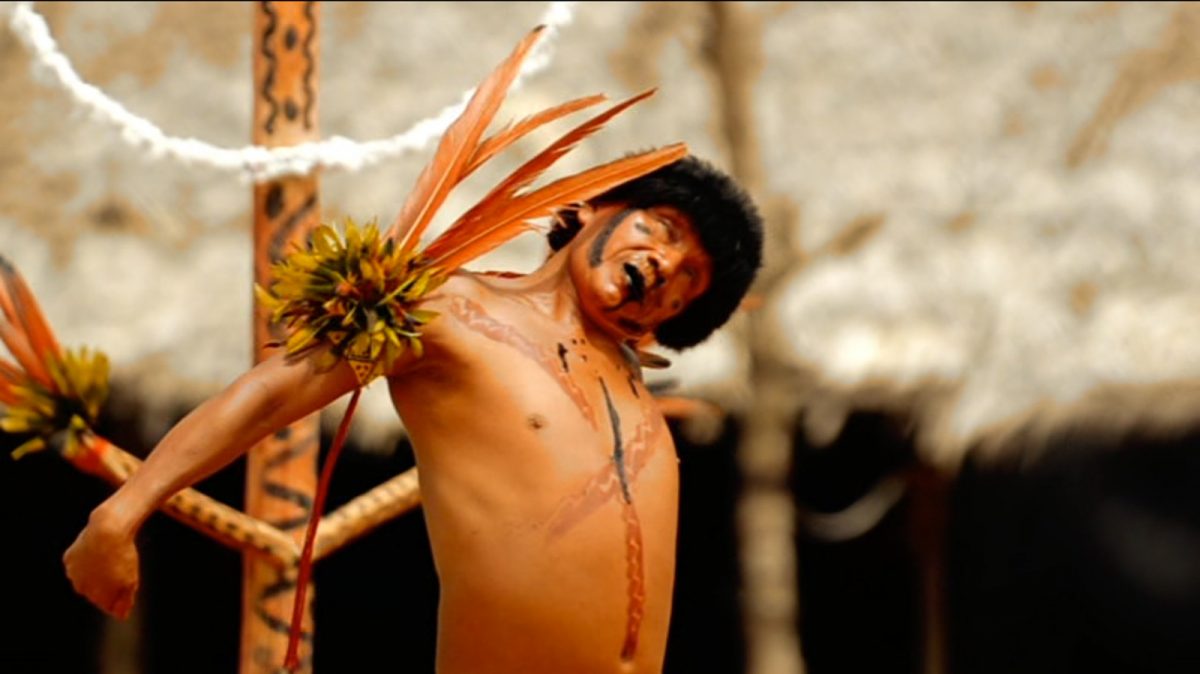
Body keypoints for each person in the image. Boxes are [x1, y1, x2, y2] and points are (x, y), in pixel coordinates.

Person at [63, 155, 763, 674]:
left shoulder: (638, 393)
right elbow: (271, 393)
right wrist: (122, 512)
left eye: (691, 279)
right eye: (662, 229)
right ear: (588, 206)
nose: (666, 264)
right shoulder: (449, 311)